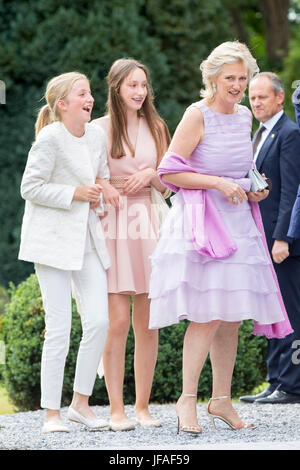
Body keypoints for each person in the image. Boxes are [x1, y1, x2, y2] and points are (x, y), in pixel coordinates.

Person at [148, 41, 293, 434]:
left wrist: (253, 186)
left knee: (231, 318)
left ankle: (221, 400)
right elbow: (169, 172)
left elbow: (241, 166)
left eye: (242, 78)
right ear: (211, 78)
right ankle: (186, 400)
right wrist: (216, 183)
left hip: (240, 222)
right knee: (207, 315)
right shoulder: (197, 115)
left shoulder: (244, 115)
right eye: (230, 78)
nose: (237, 85)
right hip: (202, 225)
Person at [18, 72, 111, 433]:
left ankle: (80, 404)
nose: (90, 98)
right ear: (62, 104)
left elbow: (100, 177)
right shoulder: (49, 138)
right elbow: (30, 187)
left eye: (90, 93)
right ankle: (51, 415)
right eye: (81, 93)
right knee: (59, 329)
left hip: (87, 239)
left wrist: (105, 190)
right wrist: (74, 194)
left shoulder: (97, 136)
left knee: (99, 321)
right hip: (52, 242)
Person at [93, 58, 171, 431]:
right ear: (116, 89)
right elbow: (87, 175)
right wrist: (106, 184)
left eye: (143, 85)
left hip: (148, 225)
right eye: (132, 85)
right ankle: (115, 409)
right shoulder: (98, 129)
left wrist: (152, 175)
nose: (139, 92)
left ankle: (142, 407)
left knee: (148, 323)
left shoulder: (157, 127)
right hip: (111, 224)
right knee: (118, 321)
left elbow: (171, 185)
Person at [239, 73, 300, 404]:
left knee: (290, 313)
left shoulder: (290, 134)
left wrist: (283, 238)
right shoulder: (258, 134)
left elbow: (292, 190)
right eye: (253, 98)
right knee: (271, 311)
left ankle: (292, 385)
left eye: (263, 97)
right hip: (261, 237)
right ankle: (275, 381)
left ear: (280, 98)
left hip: (283, 241)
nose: (256, 103)